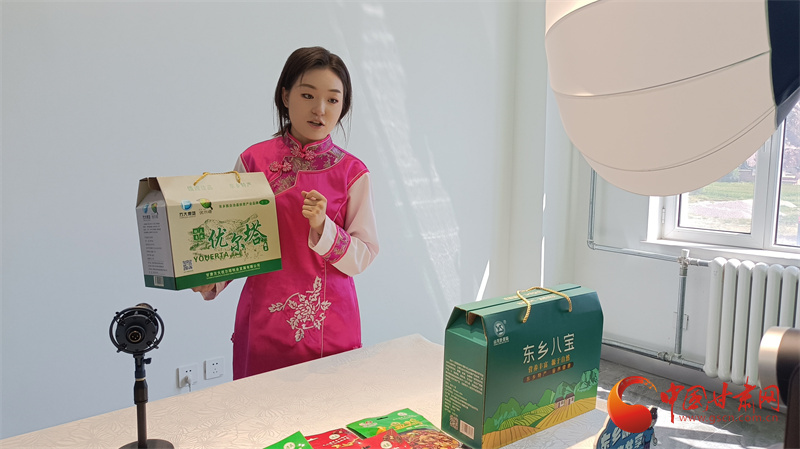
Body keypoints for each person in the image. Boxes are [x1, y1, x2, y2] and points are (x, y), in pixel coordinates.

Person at [194, 47, 379, 380]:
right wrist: (211, 277)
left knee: (329, 411)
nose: (320, 109)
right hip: (263, 321)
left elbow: (363, 255)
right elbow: (235, 240)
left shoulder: (353, 173)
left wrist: (324, 228)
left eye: (333, 100)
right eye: (308, 95)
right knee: (260, 410)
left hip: (329, 325)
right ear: (285, 96)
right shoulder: (253, 162)